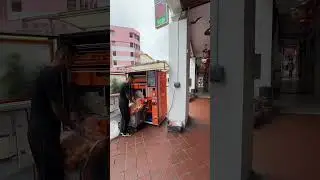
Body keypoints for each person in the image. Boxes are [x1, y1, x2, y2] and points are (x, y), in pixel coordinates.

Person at [28, 46, 77, 180]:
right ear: (63, 57)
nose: (70, 66)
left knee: (52, 171)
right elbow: (56, 107)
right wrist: (71, 124)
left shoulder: (46, 73)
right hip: (43, 133)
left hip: (44, 132)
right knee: (49, 173)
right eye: (71, 61)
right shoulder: (51, 75)